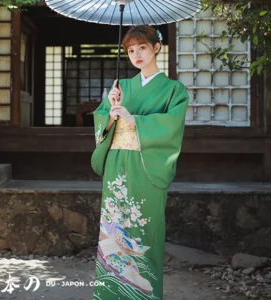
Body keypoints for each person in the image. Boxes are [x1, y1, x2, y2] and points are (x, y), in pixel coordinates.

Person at [91, 25, 189, 300]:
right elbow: (102, 122)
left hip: (148, 165)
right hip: (118, 164)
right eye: (131, 50)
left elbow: (172, 126)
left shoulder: (174, 90)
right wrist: (111, 112)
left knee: (144, 229)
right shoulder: (121, 87)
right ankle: (111, 292)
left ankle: (143, 294)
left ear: (156, 48)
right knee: (113, 231)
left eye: (142, 48)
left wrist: (136, 121)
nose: (136, 55)